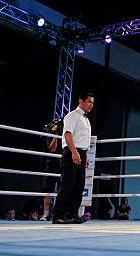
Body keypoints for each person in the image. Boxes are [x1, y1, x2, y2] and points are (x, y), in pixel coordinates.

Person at [53, 92, 95, 224]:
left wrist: (85, 155)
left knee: (78, 186)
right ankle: (59, 215)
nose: (91, 105)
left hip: (81, 153)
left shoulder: (86, 119)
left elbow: (83, 140)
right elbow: (68, 135)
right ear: (81, 101)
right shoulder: (72, 116)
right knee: (67, 185)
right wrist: (74, 152)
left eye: (93, 103)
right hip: (71, 152)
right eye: (89, 102)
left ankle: (72, 214)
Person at [41, 121, 63, 221]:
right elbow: (52, 149)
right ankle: (46, 213)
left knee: (62, 189)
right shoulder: (49, 135)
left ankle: (59, 212)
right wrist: (55, 135)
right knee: (48, 189)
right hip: (51, 164)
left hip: (62, 163)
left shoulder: (65, 134)